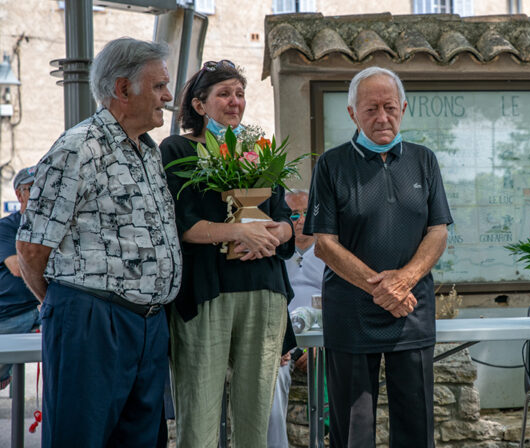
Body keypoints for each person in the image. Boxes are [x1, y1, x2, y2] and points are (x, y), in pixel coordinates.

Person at [15, 37, 182, 447]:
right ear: (124, 89)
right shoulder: (78, 147)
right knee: (81, 437)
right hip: (91, 320)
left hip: (147, 323)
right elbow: (32, 247)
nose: (168, 95)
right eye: (159, 85)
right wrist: (64, 306)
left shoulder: (149, 151)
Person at [304, 66, 452, 447]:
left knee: (416, 427)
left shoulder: (424, 160)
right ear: (352, 113)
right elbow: (324, 243)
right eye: (370, 109)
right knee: (352, 431)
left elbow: (438, 232)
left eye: (389, 107)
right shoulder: (331, 165)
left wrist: (403, 280)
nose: (382, 117)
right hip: (351, 313)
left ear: (403, 107)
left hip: (411, 309)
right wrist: (383, 287)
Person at [160, 59, 295, 447]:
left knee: (258, 417)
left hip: (263, 288)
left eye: (239, 93)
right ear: (200, 105)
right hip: (207, 292)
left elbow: (285, 219)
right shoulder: (178, 148)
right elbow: (182, 224)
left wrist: (273, 233)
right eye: (224, 93)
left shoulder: (260, 149)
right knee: (199, 412)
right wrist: (240, 232)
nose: (235, 101)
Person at [267, 189, 325, 448]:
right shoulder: (272, 253)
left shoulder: (330, 251)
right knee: (273, 374)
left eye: (305, 213)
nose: (300, 219)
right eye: (293, 214)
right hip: (282, 336)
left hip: (323, 336)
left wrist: (319, 343)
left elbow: (341, 304)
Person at [0, 167, 40, 389]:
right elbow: (17, 267)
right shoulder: (7, 227)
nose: (41, 195)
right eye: (33, 189)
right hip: (10, 312)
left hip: (42, 309)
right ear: (19, 195)